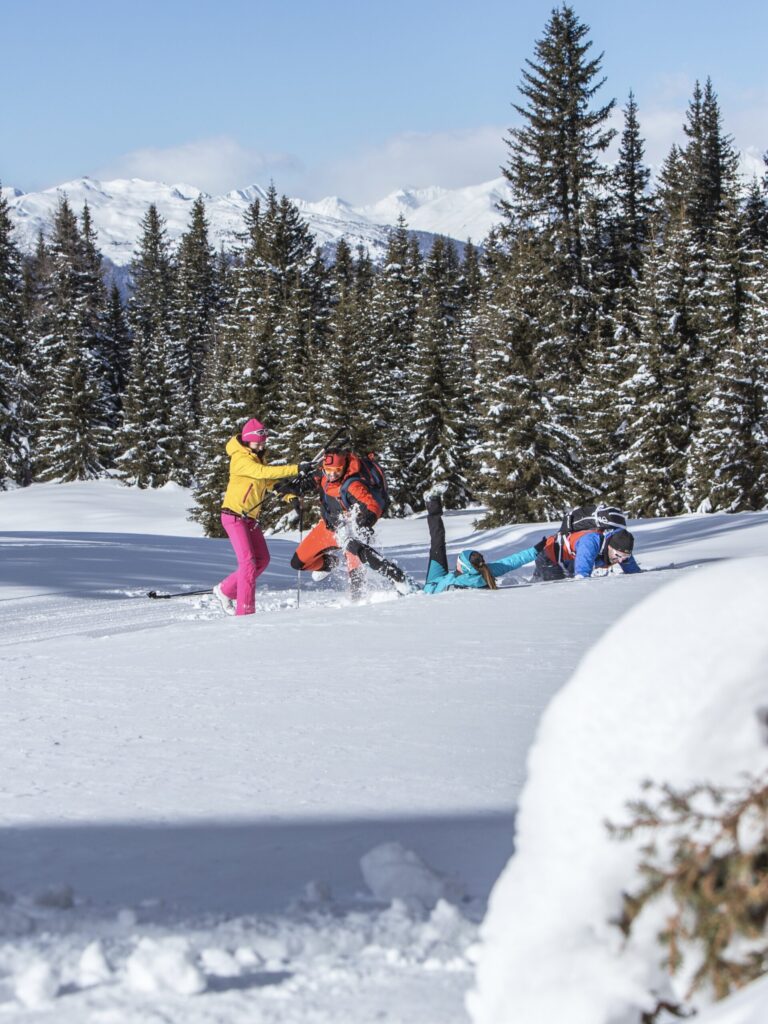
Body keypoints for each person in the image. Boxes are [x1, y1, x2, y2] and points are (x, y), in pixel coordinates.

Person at [213, 419, 312, 616]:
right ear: (247, 440)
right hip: (234, 516)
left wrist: (288, 495)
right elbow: (261, 473)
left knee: (262, 560)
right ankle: (245, 612)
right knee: (248, 563)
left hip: (249, 518)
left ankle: (225, 590)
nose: (261, 446)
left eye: (263, 442)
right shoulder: (240, 459)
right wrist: (296, 468)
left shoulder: (256, 457)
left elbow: (267, 482)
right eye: (257, 442)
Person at [288, 449, 414, 597]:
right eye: (328, 470)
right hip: (328, 528)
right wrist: (293, 487)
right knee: (298, 563)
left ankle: (396, 576)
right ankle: (330, 564)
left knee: (356, 586)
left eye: (337, 470)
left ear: (344, 466)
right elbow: (313, 480)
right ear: (323, 467)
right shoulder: (324, 475)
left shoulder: (352, 485)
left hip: (350, 530)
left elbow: (373, 506)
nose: (332, 474)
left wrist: (363, 523)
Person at [422, 496, 543, 593]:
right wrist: (535, 550)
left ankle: (432, 504)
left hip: (431, 586)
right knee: (438, 545)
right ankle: (433, 501)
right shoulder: (486, 571)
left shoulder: (458, 584)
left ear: (465, 568)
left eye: (459, 559)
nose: (456, 561)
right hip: (441, 579)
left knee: (436, 548)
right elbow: (511, 562)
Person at [534, 525, 641, 581]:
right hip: (549, 557)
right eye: (618, 555)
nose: (621, 560)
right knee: (555, 587)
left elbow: (634, 572)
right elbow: (582, 575)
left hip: (567, 563)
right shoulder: (590, 542)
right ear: (609, 546)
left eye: (625, 556)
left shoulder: (621, 549)